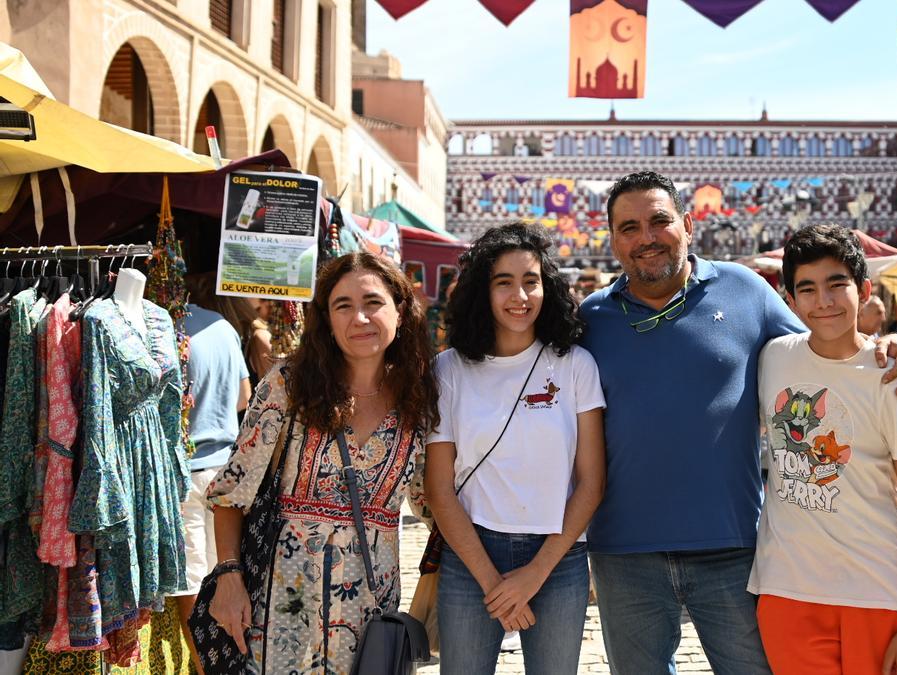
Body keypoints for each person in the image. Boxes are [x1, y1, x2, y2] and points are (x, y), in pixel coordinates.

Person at [579, 171, 897, 674]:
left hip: (734, 547)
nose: (645, 237)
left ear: (689, 224)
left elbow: (825, 348)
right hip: (625, 553)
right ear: (612, 239)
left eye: (659, 221)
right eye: (628, 227)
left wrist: (895, 344)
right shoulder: (591, 318)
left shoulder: (743, 290)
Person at [205, 252, 439, 671]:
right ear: (327, 320)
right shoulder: (288, 385)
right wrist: (228, 575)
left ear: (400, 312)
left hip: (371, 605)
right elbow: (232, 491)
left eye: (373, 303)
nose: (360, 319)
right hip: (280, 603)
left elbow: (432, 502)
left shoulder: (420, 398)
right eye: (343, 306)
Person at [752, 224, 897, 675]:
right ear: (789, 301)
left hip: (872, 592)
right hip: (785, 592)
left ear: (865, 289)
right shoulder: (771, 358)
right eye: (807, 289)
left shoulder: (892, 376)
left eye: (838, 285)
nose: (824, 301)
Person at [424, 224, 606, 674]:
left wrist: (535, 574)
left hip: (558, 558)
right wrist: (494, 584)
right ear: (480, 291)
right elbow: (439, 489)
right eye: (503, 282)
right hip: (471, 556)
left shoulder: (576, 365)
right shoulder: (448, 369)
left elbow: (591, 481)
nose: (519, 295)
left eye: (531, 281)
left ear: (547, 287)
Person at [173, 303, 251, 672]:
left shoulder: (162, 325)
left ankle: (205, 667)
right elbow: (243, 399)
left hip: (186, 473)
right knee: (225, 573)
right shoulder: (221, 326)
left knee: (192, 579)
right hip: (227, 468)